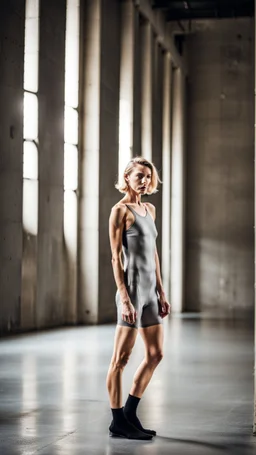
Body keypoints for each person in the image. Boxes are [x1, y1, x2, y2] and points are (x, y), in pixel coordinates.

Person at [106, 156, 171, 440]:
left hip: (150, 294)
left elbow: (152, 252)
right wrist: (124, 297)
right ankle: (117, 420)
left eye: (148, 176)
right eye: (139, 176)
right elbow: (115, 257)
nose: (144, 180)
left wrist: (161, 290)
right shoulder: (120, 211)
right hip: (131, 291)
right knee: (121, 358)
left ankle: (130, 412)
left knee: (155, 354)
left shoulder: (149, 209)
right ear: (127, 177)